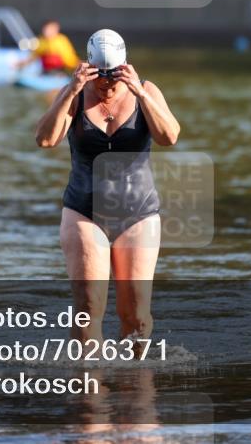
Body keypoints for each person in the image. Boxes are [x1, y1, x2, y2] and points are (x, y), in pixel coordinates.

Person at [34, 29, 180, 348]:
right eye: (100, 74)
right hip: (84, 212)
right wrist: (71, 90)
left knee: (137, 316)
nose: (107, 83)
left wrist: (141, 95)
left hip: (138, 213)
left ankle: (134, 386)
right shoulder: (74, 92)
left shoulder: (145, 90)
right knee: (87, 311)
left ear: (125, 65)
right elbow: (45, 140)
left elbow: (169, 136)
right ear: (88, 66)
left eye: (113, 74)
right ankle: (89, 389)